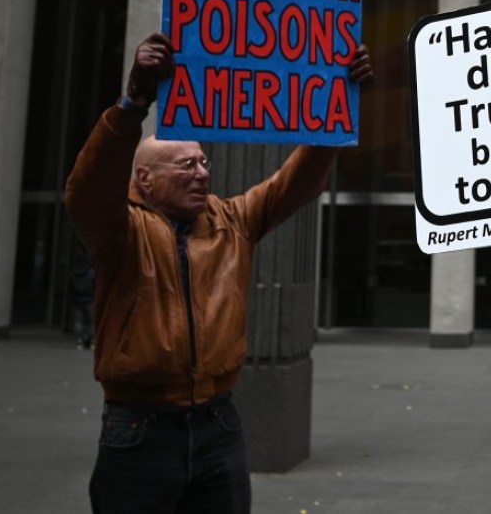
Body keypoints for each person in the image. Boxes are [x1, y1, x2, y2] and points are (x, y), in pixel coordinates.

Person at [66, 32, 372, 513]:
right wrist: (132, 105)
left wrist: (336, 108)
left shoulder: (232, 221)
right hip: (138, 433)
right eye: (185, 165)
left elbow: (296, 184)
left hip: (219, 426)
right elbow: (87, 187)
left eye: (204, 161)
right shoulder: (119, 232)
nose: (203, 172)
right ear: (144, 180)